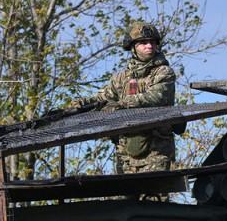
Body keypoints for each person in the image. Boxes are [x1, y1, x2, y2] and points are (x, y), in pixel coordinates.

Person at [72, 21, 177, 174]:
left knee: (154, 195)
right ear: (133, 47)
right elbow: (104, 97)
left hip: (156, 151)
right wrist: (82, 104)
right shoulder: (121, 78)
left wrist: (121, 104)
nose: (149, 46)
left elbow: (156, 97)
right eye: (143, 42)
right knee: (126, 195)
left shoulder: (163, 72)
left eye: (153, 42)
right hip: (126, 152)